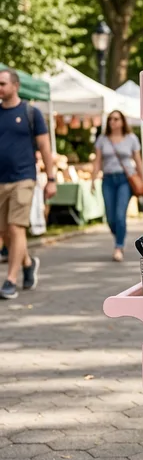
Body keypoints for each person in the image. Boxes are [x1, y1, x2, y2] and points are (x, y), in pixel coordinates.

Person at [0, 68, 56, 299]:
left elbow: (45, 148)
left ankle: (10, 280)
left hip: (24, 178)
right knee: (4, 231)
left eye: (2, 84)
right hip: (0, 180)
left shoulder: (31, 113)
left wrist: (51, 179)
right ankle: (28, 262)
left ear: (15, 86)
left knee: (16, 227)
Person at [91, 110, 143, 262]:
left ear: (122, 121)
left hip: (124, 180)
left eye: (116, 119)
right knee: (110, 218)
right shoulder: (102, 139)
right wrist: (93, 179)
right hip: (107, 179)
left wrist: (142, 180)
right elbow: (97, 160)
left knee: (120, 215)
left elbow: (138, 161)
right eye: (110, 119)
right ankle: (119, 235)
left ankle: (118, 246)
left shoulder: (131, 138)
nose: (112, 121)